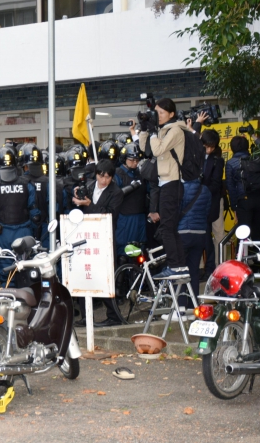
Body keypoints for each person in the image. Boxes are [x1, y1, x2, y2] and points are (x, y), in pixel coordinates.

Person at [134, 98, 192, 277]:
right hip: (166, 183)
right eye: (155, 112)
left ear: (171, 114)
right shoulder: (162, 130)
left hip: (172, 183)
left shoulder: (175, 130)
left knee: (167, 228)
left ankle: (175, 265)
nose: (157, 116)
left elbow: (158, 150)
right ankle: (179, 265)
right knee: (171, 228)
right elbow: (147, 149)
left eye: (160, 112)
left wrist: (153, 132)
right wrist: (144, 129)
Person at [72, 159, 124, 327]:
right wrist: (77, 198)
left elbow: (109, 214)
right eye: (101, 176)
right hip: (85, 236)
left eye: (108, 177)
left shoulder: (116, 192)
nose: (104, 180)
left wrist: (88, 204)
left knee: (105, 276)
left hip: (104, 238)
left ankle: (114, 315)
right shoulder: (88, 186)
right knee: (83, 273)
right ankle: (86, 316)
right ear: (96, 175)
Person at [0, 145, 37, 285]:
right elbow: (35, 213)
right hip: (24, 233)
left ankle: (8, 300)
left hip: (3, 234)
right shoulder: (26, 184)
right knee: (26, 270)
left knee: (6, 272)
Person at [155, 177, 210, 312]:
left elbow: (174, 211)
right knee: (194, 272)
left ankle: (179, 307)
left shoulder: (179, 189)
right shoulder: (206, 190)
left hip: (182, 233)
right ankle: (193, 307)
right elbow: (208, 211)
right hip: (200, 233)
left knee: (178, 269)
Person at [226, 136, 260, 241]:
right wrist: (255, 138)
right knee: (257, 233)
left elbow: (231, 187)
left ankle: (242, 256)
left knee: (243, 234)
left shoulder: (231, 163)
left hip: (244, 201)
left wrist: (234, 207)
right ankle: (257, 256)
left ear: (232, 148)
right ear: (247, 147)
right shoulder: (258, 159)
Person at [114, 144, 147, 260]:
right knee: (125, 250)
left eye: (137, 160)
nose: (135, 163)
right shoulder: (118, 174)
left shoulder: (139, 173)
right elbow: (115, 195)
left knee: (139, 250)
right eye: (131, 160)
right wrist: (130, 188)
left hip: (140, 216)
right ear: (124, 159)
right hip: (126, 218)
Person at [199, 129, 225, 271]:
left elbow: (216, 183)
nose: (208, 149)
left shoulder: (217, 160)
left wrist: (201, 191)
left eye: (211, 147)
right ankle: (200, 266)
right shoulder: (196, 156)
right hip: (197, 203)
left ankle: (218, 265)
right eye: (206, 146)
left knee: (217, 234)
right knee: (202, 236)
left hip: (212, 202)